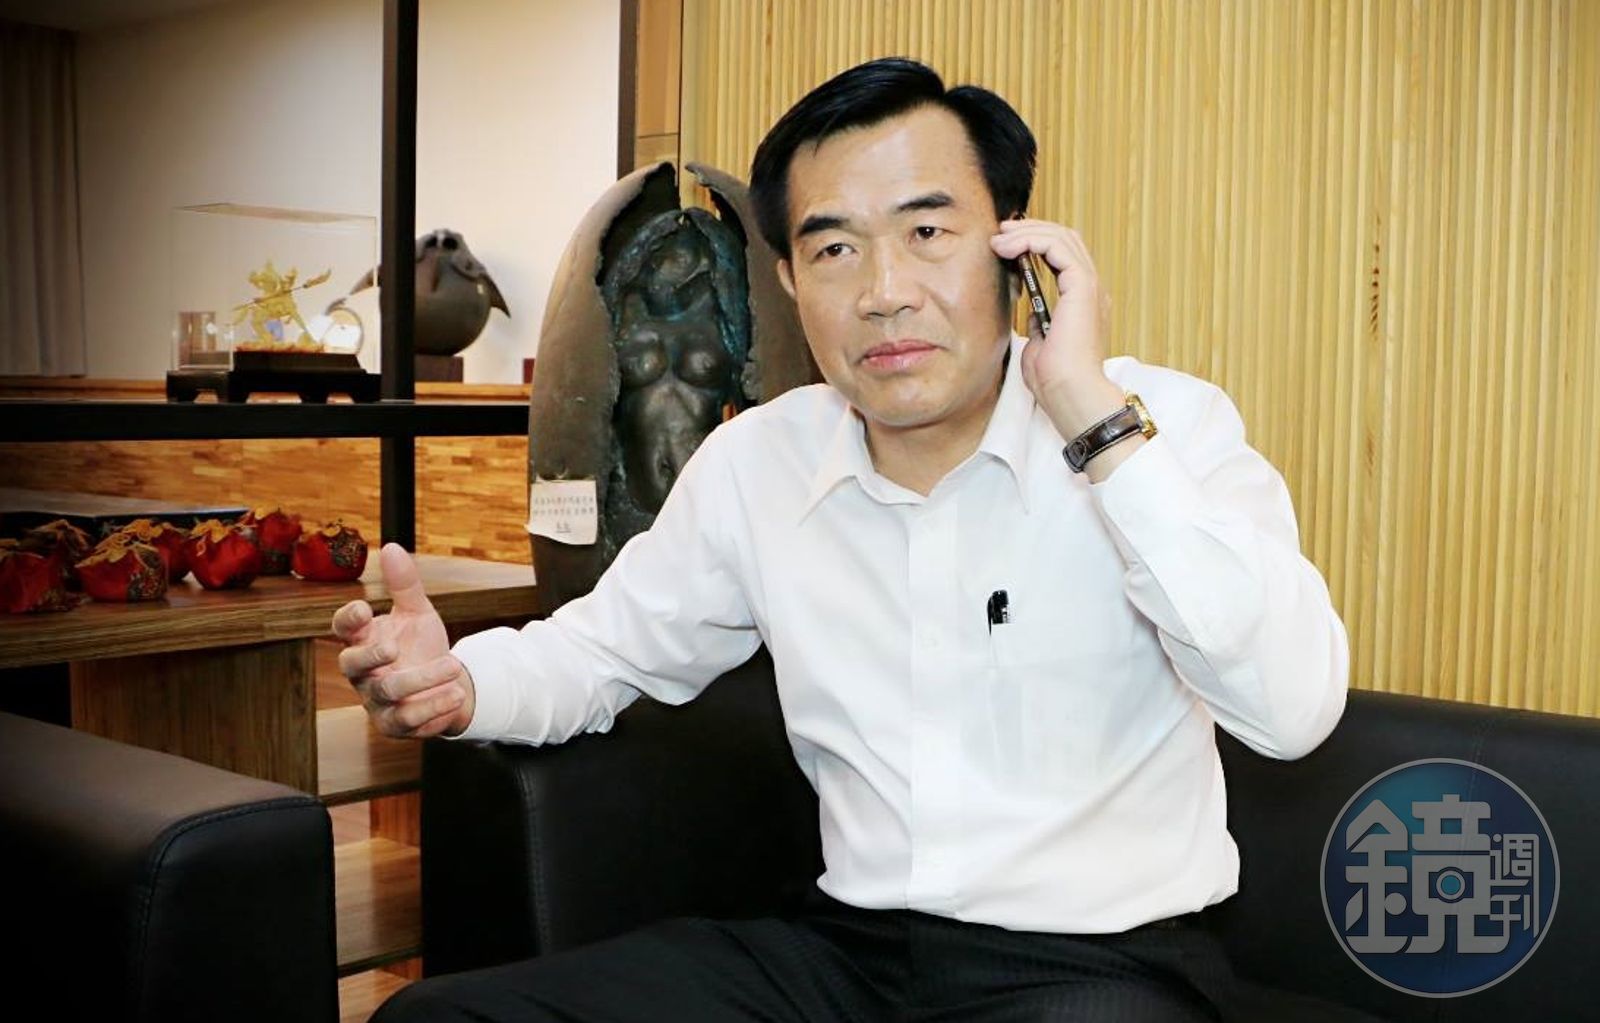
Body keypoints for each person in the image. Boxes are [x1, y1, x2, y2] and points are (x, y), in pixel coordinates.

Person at [338, 58, 1349, 1022]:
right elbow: (603, 652)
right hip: (842, 956)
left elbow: (1290, 711)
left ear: (1016, 247)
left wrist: (1089, 415)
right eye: (834, 249)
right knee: (443, 1014)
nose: (883, 290)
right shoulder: (759, 463)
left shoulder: (1159, 429)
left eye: (927, 232)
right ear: (787, 279)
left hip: (1100, 960)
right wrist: (459, 683)